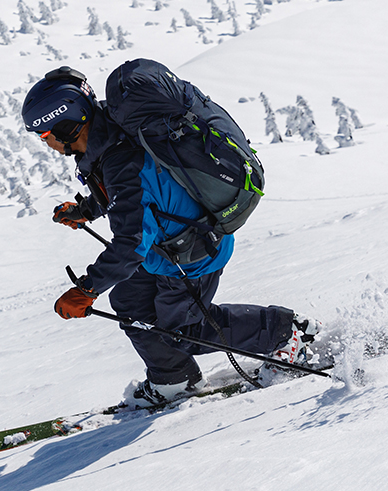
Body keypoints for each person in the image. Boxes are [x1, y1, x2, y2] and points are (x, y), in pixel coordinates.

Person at [21, 65, 321, 407]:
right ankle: (174, 380)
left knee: (183, 332)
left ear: (66, 125)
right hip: (165, 250)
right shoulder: (113, 136)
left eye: (46, 136)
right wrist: (85, 211)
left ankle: (285, 332)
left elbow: (130, 242)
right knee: (130, 303)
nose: (48, 144)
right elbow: (135, 198)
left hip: (192, 253)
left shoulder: (121, 160)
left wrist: (86, 290)